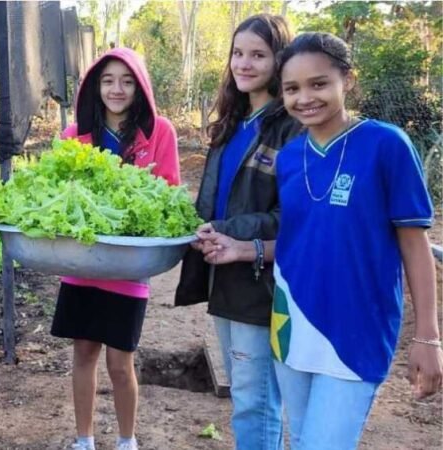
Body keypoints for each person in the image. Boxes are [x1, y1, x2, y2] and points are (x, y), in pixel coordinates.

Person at [198, 32, 443, 450]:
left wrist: (427, 336)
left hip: (356, 331)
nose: (305, 98)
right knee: (303, 439)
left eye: (319, 84)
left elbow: (414, 245)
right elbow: (298, 241)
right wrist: (243, 249)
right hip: (292, 324)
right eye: (292, 88)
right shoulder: (291, 157)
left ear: (347, 80)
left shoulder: (386, 145)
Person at [174, 14, 298, 450]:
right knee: (245, 392)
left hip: (258, 278)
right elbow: (214, 198)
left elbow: (293, 215)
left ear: (280, 60)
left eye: (258, 55)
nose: (243, 64)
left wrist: (227, 231)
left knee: (255, 399)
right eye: (238, 53)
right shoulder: (234, 120)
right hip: (223, 270)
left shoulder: (290, 127)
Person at [50, 47, 180, 450]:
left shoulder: (160, 131)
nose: (117, 89)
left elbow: (169, 193)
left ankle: (127, 440)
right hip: (81, 261)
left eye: (126, 81)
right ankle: (84, 439)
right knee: (84, 353)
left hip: (128, 265)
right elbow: (58, 191)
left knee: (120, 362)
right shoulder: (75, 135)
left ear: (140, 86)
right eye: (107, 81)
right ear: (95, 86)